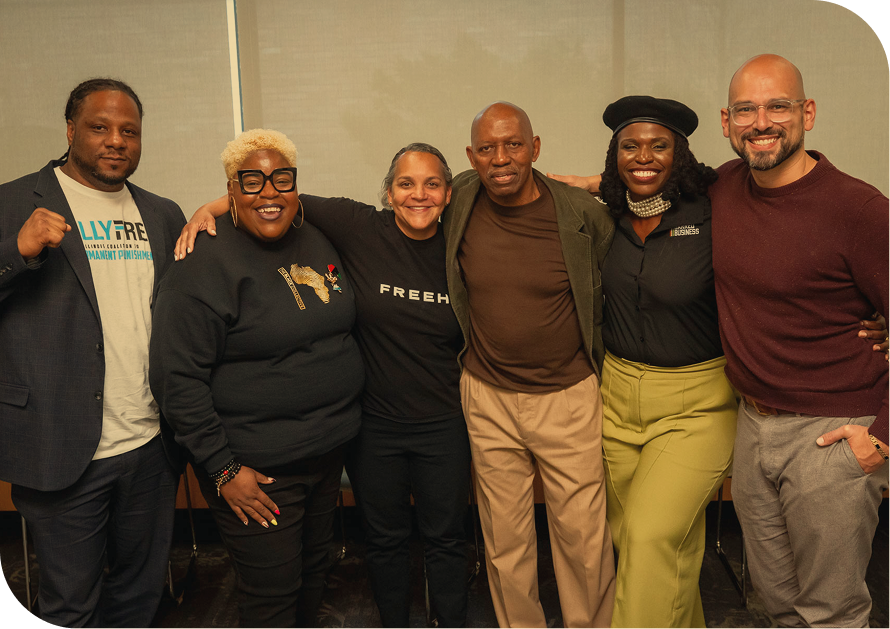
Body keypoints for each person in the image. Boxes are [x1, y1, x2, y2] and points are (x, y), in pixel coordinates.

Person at [175, 142, 470, 627]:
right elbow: (274, 196)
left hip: (444, 423)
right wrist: (208, 210)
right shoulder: (358, 227)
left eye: (432, 183)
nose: (419, 194)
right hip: (373, 427)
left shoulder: (464, 242)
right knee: (385, 539)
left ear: (448, 193)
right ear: (388, 192)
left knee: (446, 538)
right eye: (406, 183)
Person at [149, 129, 365, 627]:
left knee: (314, 574)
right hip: (258, 473)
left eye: (280, 180)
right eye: (251, 181)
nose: (268, 193)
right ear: (230, 192)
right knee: (271, 597)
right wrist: (224, 471)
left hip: (326, 453)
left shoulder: (315, 236)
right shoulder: (200, 265)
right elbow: (176, 380)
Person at [0, 78, 186, 628]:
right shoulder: (13, 203)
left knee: (138, 596)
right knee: (71, 608)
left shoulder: (161, 214)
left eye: (129, 130)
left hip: (150, 444)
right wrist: (17, 250)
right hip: (60, 446)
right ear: (70, 129)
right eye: (99, 127)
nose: (115, 140)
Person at [711, 54, 888, 627]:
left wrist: (881, 440)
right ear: (726, 121)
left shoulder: (858, 208)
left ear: (806, 112)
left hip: (834, 434)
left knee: (831, 613)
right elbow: (646, 184)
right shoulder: (724, 186)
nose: (761, 122)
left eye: (778, 106)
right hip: (754, 426)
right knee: (777, 604)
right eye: (747, 109)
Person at [443, 101, 616, 628]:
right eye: (488, 148)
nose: (501, 158)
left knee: (584, 541)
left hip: (568, 397)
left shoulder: (580, 213)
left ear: (535, 148)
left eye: (513, 144)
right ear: (471, 157)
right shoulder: (457, 199)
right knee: (504, 542)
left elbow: (632, 273)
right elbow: (368, 212)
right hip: (487, 395)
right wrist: (219, 206)